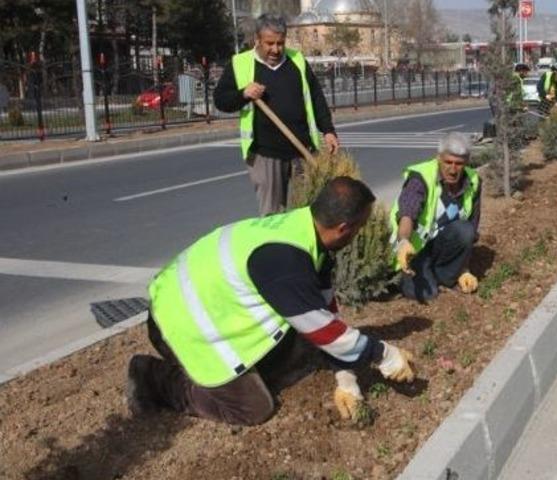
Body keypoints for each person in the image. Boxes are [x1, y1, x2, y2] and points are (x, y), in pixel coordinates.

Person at [127, 177, 416, 426]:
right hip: (175, 324)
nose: (359, 235)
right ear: (343, 228)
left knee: (302, 344)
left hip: (197, 306)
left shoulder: (305, 233)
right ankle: (152, 377)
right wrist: (384, 355)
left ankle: (245, 372)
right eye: (359, 228)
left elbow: (326, 319)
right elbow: (322, 330)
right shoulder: (286, 261)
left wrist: (346, 378)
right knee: (253, 407)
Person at [214, 14, 340, 216]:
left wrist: (328, 130)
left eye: (280, 43)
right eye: (269, 43)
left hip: (302, 151)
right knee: (272, 216)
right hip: (265, 154)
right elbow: (221, 100)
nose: (275, 49)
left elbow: (316, 96)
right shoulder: (240, 64)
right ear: (257, 39)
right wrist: (243, 94)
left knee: (306, 213)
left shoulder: (297, 61)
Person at [392, 132, 481, 302]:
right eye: (448, 162)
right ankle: (408, 277)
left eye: (459, 164)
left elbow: (472, 226)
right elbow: (407, 213)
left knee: (465, 230)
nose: (453, 170)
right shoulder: (421, 178)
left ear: (467, 162)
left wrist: (464, 270)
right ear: (439, 158)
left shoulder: (473, 181)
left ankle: (441, 275)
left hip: (440, 246)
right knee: (428, 295)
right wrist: (403, 241)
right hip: (414, 252)